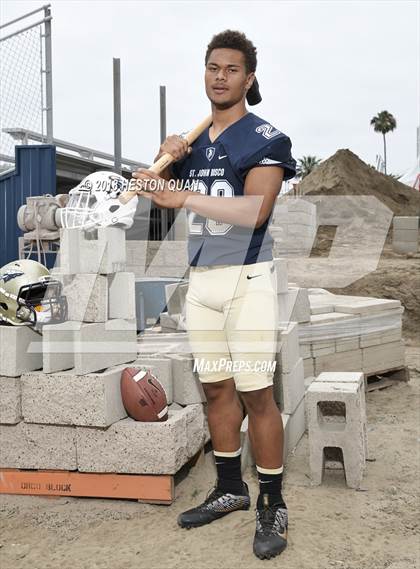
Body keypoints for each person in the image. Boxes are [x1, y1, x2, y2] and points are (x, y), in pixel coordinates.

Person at [133, 29, 296, 561]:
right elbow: (156, 197)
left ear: (249, 78)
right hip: (200, 281)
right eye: (211, 67)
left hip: (246, 281)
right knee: (217, 392)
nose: (219, 77)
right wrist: (163, 157)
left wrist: (182, 194)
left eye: (230, 69)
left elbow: (255, 211)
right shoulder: (193, 142)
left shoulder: (266, 136)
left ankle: (271, 501)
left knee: (256, 395)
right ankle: (230, 487)